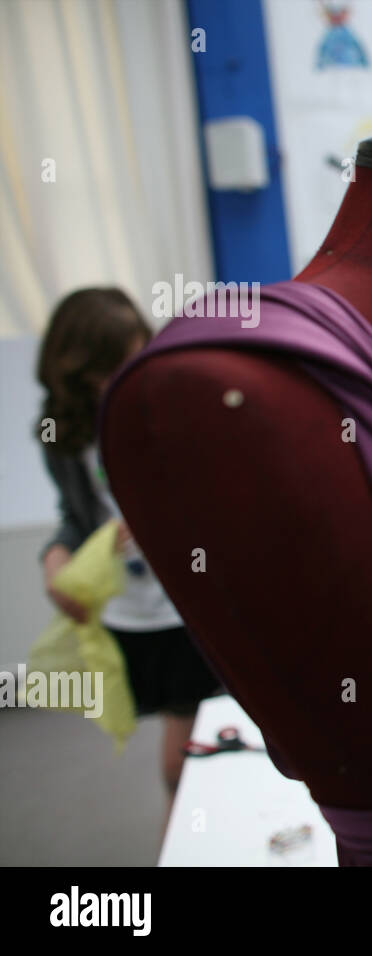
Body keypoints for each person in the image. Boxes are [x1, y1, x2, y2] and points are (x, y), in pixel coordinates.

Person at [35, 287, 222, 831]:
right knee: (185, 749)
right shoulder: (64, 437)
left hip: (190, 607)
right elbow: (74, 517)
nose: (115, 380)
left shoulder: (166, 409)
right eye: (102, 370)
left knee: (192, 750)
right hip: (134, 616)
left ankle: (186, 830)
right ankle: (184, 835)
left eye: (128, 361)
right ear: (75, 372)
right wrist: (55, 562)